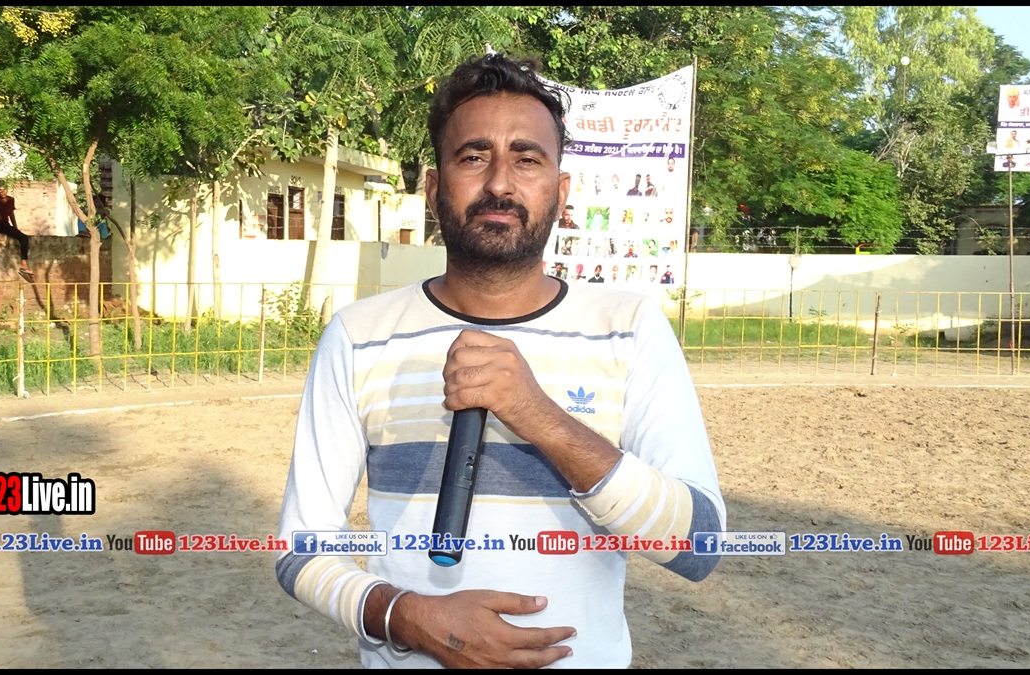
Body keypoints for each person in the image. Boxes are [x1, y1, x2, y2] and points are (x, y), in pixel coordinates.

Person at [275, 53, 724, 670]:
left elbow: (698, 545)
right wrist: (405, 616)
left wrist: (537, 414)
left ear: (561, 192)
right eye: (473, 156)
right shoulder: (359, 336)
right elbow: (301, 548)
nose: (500, 184)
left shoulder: (629, 327)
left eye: (527, 159)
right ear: (434, 187)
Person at [0, 180, 32, 277]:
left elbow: (11, 214)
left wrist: (15, 227)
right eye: (1, 190)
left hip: (5, 225)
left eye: (5, 189)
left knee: (24, 238)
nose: (3, 192)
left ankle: (24, 263)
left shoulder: (10, 200)